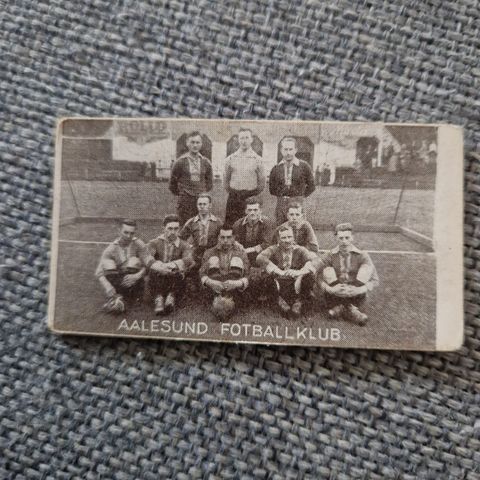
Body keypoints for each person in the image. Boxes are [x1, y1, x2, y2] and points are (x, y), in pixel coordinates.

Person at [318, 223, 379, 325]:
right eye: (341, 238)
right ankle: (351, 311)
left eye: (347, 237)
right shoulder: (330, 255)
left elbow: (375, 280)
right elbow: (317, 277)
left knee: (366, 269)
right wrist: (330, 289)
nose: (344, 241)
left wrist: (359, 289)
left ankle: (342, 309)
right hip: (334, 293)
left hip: (355, 293)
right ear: (336, 238)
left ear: (352, 238)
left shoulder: (362, 255)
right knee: (327, 270)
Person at [257, 225, 319, 318]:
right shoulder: (273, 249)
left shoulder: (300, 250)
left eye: (289, 237)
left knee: (309, 276)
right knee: (266, 276)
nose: (287, 240)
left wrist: (300, 273)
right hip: (278, 282)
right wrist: (278, 271)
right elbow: (260, 258)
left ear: (293, 238)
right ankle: (279, 301)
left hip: (295, 283)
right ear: (278, 239)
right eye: (283, 238)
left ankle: (299, 302)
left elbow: (315, 261)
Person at [95, 219, 153, 314]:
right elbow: (99, 272)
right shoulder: (111, 249)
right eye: (125, 232)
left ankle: (117, 301)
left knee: (134, 261)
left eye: (132, 233)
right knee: (107, 263)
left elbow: (149, 264)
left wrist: (137, 276)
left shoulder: (139, 244)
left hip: (135, 282)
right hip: (119, 281)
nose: (128, 236)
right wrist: (108, 286)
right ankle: (119, 299)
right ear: (119, 231)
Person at [147, 214, 194, 315]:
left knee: (180, 271)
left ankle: (171, 297)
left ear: (179, 229)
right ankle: (158, 299)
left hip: (174, 277)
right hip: (158, 277)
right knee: (153, 270)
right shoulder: (154, 242)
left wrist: (170, 265)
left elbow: (188, 259)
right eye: (170, 228)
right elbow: (147, 257)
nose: (173, 232)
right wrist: (159, 266)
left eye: (176, 229)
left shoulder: (184, 244)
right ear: (163, 228)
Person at [200, 226, 250, 319]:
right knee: (213, 260)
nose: (225, 240)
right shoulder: (209, 252)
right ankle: (220, 300)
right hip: (215, 286)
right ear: (218, 238)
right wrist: (210, 282)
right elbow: (202, 273)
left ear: (234, 238)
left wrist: (237, 283)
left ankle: (226, 301)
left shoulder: (241, 253)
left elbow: (247, 274)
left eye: (229, 237)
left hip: (234, 286)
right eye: (222, 237)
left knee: (237, 260)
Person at [232, 197, 275, 301]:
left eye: (255, 210)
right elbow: (233, 240)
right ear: (245, 210)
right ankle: (240, 290)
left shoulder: (266, 223)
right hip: (242, 253)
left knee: (267, 268)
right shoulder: (238, 224)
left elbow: (267, 243)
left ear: (260, 210)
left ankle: (264, 292)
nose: (252, 213)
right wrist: (237, 244)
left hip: (260, 253)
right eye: (250, 210)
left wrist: (250, 249)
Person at [169, 131, 213, 225]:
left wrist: (201, 192)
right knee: (185, 228)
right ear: (187, 143)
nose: (195, 145)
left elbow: (209, 184)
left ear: (201, 144)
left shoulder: (206, 162)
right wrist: (183, 192)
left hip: (201, 200)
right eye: (192, 142)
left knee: (201, 226)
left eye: (197, 142)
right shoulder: (180, 162)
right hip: (185, 201)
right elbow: (172, 184)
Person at [268, 137, 315, 225]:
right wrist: (282, 195)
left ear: (295, 150)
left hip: (298, 204)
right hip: (281, 204)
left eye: (291, 149)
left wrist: (300, 196)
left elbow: (312, 186)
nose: (288, 152)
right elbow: (272, 188)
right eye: (285, 149)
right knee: (281, 228)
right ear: (281, 150)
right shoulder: (276, 168)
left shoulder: (304, 166)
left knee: (298, 228)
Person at [224, 128, 265, 226]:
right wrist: (234, 192)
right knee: (232, 225)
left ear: (251, 139)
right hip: (234, 197)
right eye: (241, 138)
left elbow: (262, 183)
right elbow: (226, 180)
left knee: (250, 224)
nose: (244, 141)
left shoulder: (258, 159)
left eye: (247, 138)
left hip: (250, 197)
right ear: (238, 139)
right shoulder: (230, 159)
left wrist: (252, 194)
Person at [179, 194, 222, 285]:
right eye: (200, 204)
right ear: (197, 205)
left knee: (214, 272)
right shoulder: (191, 222)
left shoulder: (217, 222)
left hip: (212, 252)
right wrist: (188, 247)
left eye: (204, 204)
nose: (202, 207)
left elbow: (224, 237)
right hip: (196, 254)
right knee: (189, 271)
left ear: (210, 205)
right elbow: (180, 239)